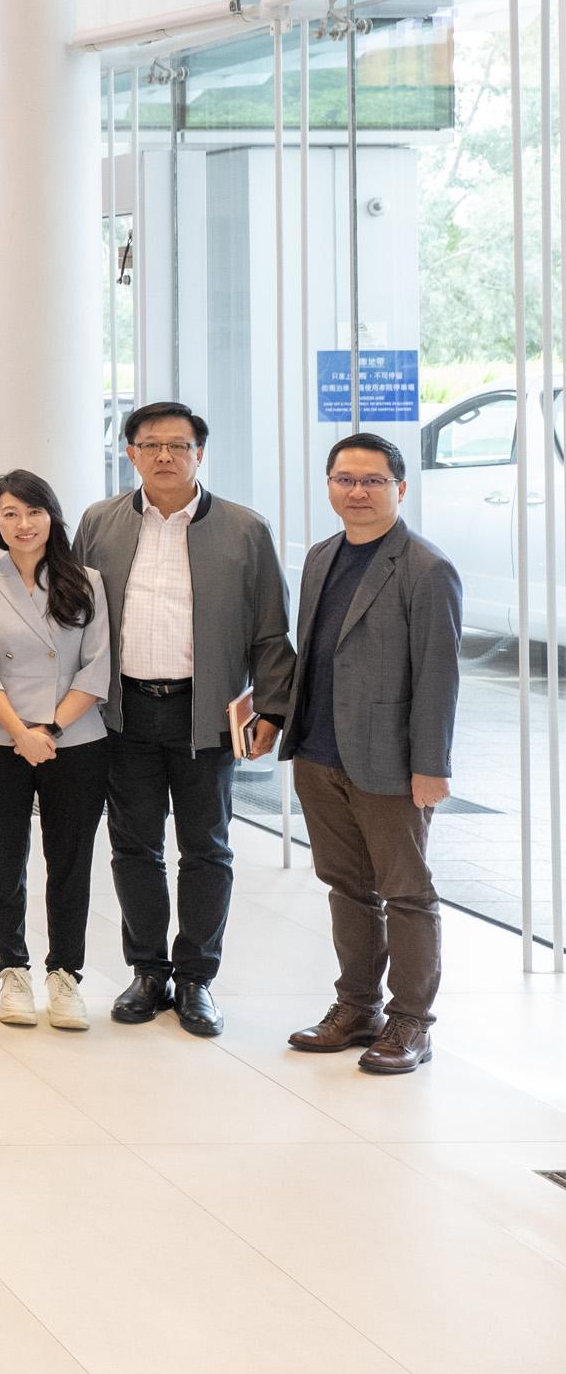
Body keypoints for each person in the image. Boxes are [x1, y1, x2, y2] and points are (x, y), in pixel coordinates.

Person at [73, 402, 296, 1038]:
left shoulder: (245, 529)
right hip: (124, 711)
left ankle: (197, 977)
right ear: (131, 454)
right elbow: (72, 613)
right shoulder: (99, 522)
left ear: (200, 453)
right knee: (134, 846)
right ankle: (148, 971)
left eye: (179, 445)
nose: (165, 456)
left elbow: (271, 629)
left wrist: (271, 709)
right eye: (151, 445)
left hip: (207, 713)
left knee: (207, 848)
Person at [275, 433, 461, 1076]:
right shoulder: (321, 556)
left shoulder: (426, 568)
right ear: (329, 485)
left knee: (406, 892)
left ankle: (412, 1021)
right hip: (319, 752)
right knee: (346, 886)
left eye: (373, 481)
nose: (357, 492)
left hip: (391, 762)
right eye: (345, 480)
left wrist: (430, 766)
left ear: (400, 488)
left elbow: (438, 676)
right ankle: (357, 1007)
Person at [0, 469, 115, 1032]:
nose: (23, 524)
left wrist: (47, 729)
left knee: (70, 862)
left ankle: (65, 974)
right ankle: (12, 970)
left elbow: (96, 666)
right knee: (4, 860)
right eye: (10, 514)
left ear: (52, 516)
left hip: (76, 739)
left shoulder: (86, 581)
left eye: (34, 512)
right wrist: (21, 732)